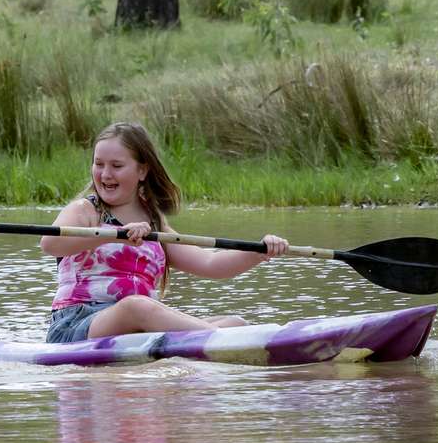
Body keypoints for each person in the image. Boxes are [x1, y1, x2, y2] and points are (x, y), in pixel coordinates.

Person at [39, 121, 289, 343]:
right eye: (99, 164)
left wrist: (259, 251)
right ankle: (225, 342)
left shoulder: (155, 222)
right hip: (78, 324)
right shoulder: (85, 210)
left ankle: (230, 340)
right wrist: (112, 234)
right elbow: (50, 244)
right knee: (137, 307)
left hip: (139, 326)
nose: (105, 174)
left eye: (116, 165)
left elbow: (210, 263)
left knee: (236, 323)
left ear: (142, 171)